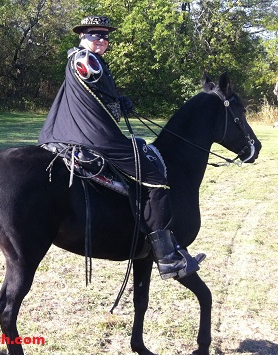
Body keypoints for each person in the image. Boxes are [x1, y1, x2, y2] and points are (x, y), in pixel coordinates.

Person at [38, 15, 205, 280]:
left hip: (77, 131)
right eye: (95, 35)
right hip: (93, 136)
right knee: (154, 176)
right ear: (82, 36)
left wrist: (118, 99)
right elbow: (94, 81)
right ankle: (166, 257)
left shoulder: (89, 58)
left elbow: (97, 92)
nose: (102, 40)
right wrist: (115, 101)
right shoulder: (85, 59)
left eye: (105, 36)